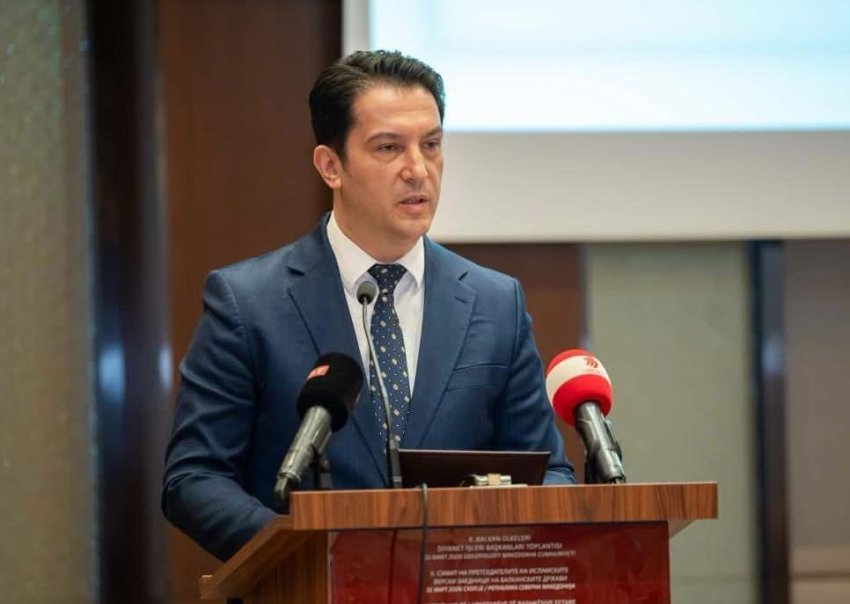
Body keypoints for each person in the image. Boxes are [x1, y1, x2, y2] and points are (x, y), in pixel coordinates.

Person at [162, 50, 575, 562]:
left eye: (431, 145)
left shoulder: (496, 303)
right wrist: (311, 555)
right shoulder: (248, 303)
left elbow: (549, 471)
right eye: (388, 148)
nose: (417, 170)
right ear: (331, 166)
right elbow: (195, 479)